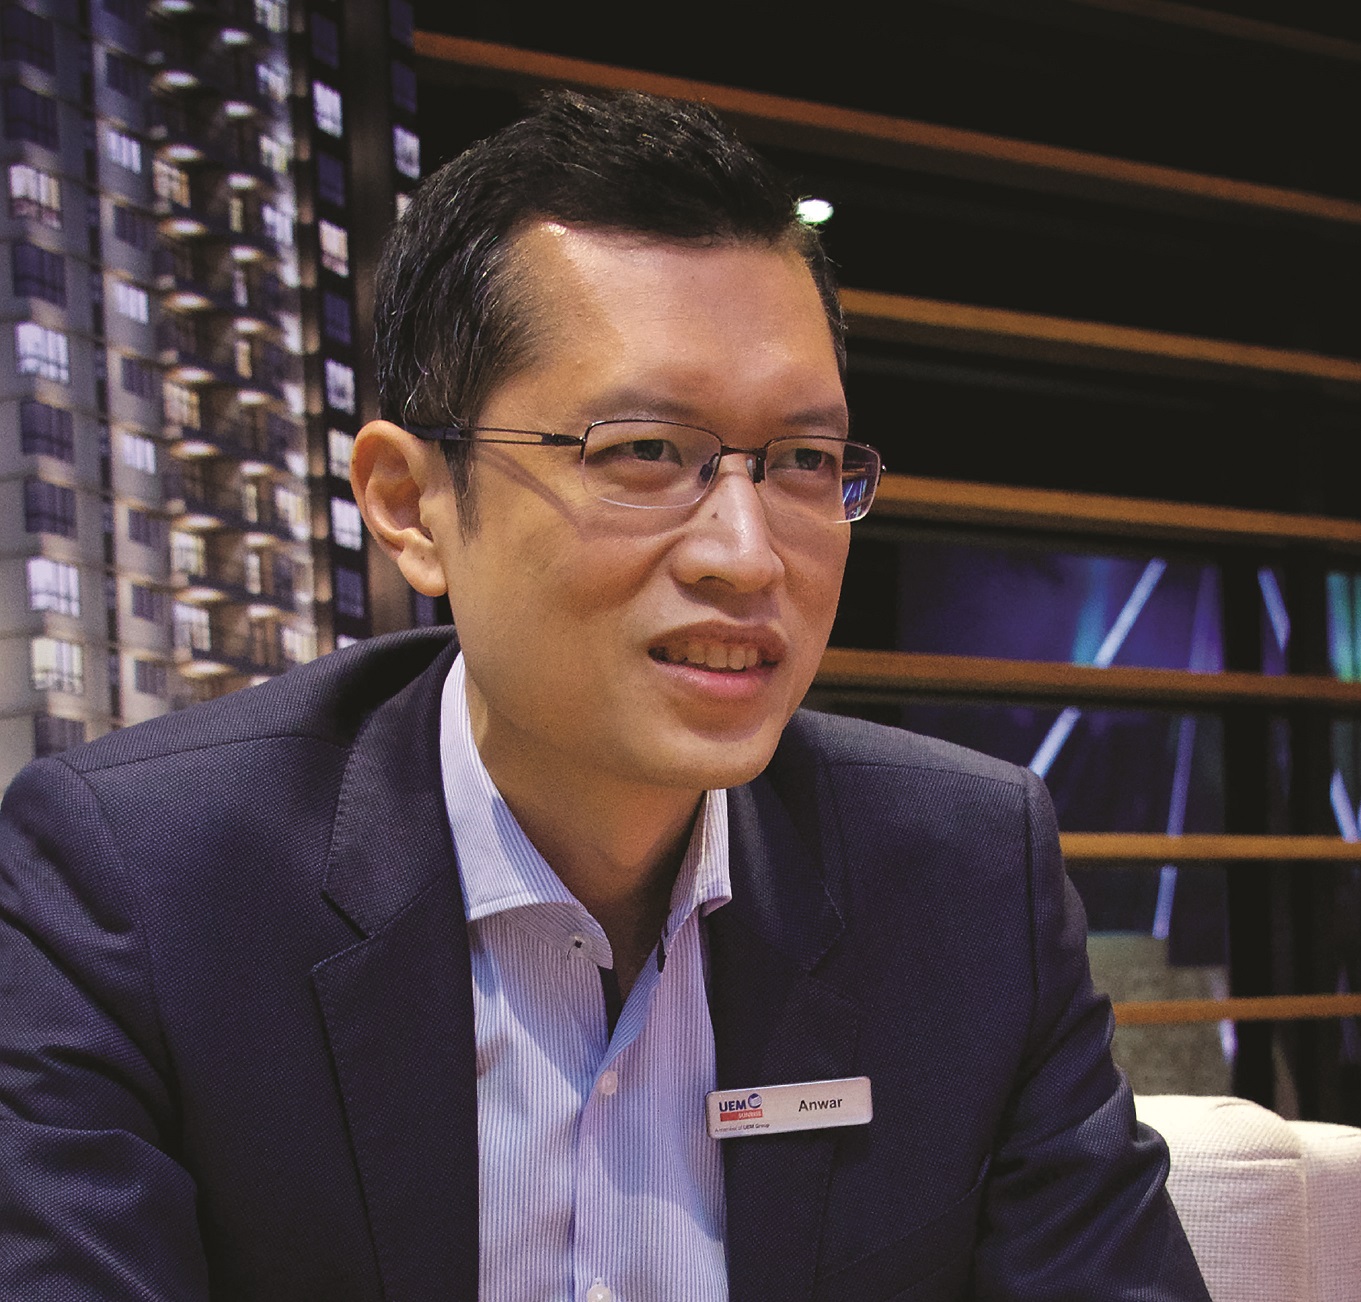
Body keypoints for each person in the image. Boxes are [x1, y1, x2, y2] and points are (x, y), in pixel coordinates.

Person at [0, 91, 1208, 1301]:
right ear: (412, 506)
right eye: (643, 452)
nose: (745, 554)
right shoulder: (144, 886)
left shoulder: (962, 879)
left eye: (800, 461)